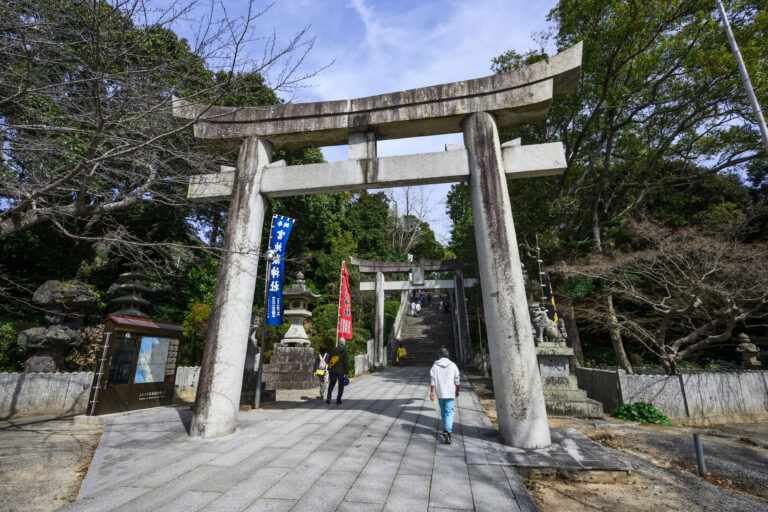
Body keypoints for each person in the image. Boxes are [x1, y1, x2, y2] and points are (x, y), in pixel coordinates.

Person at [429, 347, 460, 444]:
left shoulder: (435, 365)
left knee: (443, 411)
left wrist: (432, 392)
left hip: (440, 393)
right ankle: (447, 431)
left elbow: (433, 380)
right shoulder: (453, 365)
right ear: (448, 355)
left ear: (439, 356)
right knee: (449, 412)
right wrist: (457, 390)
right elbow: (457, 379)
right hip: (450, 392)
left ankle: (446, 429)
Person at [326, 339, 350, 405]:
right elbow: (346, 363)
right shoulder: (344, 351)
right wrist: (347, 373)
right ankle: (338, 399)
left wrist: (329, 368)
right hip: (341, 371)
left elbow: (329, 359)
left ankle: (328, 395)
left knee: (331, 383)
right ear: (344, 344)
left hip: (332, 370)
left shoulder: (333, 349)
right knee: (341, 385)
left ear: (338, 343)